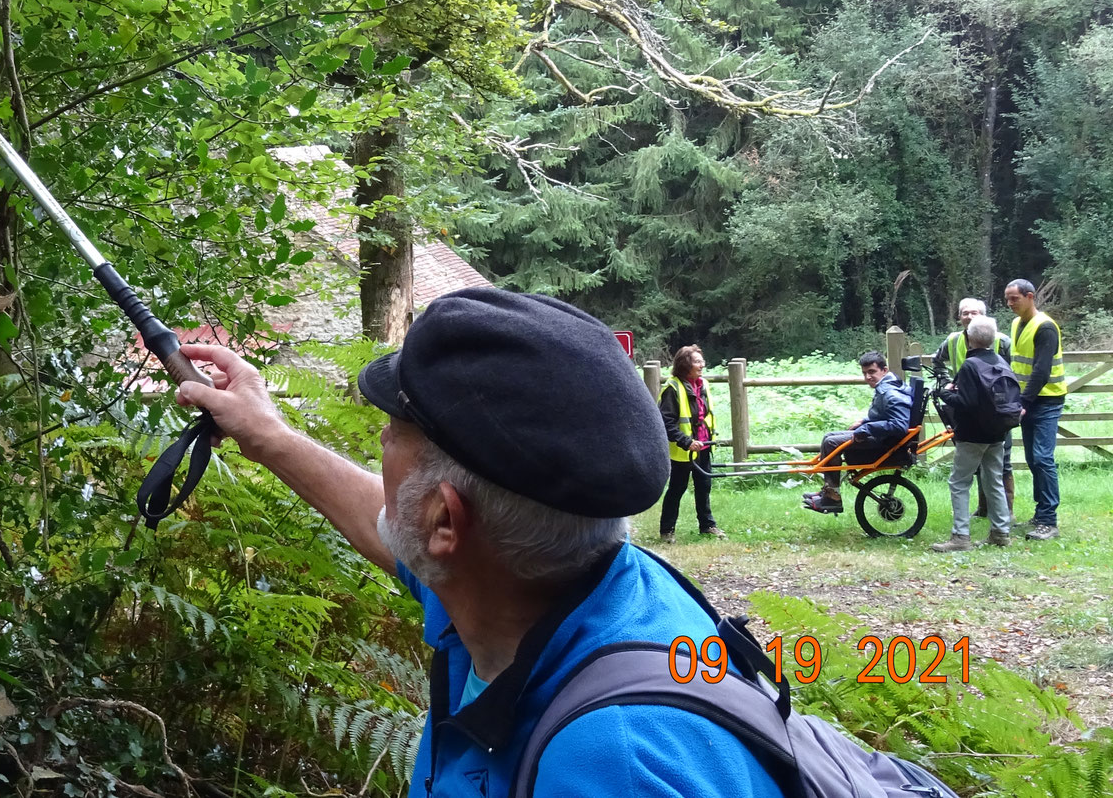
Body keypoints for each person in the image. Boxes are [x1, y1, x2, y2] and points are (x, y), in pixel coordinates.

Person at [175, 288, 782, 797]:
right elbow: (386, 523)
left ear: (445, 521)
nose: (379, 446)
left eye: (390, 434)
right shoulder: (545, 580)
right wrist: (269, 436)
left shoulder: (608, 769)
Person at [930, 315, 1019, 551]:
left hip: (972, 435)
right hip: (998, 433)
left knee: (959, 482)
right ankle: (1000, 533)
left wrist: (944, 394)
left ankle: (960, 537)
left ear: (969, 338)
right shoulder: (1000, 360)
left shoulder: (970, 365)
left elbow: (966, 402)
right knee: (993, 481)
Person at [800, 351, 912, 514]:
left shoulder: (890, 392)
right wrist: (864, 422)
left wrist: (866, 429)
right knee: (829, 436)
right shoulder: (887, 386)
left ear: (884, 370)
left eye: (872, 372)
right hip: (881, 436)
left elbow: (900, 424)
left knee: (831, 442)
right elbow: (884, 415)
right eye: (864, 373)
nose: (867, 377)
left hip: (884, 443)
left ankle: (833, 497)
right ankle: (829, 490)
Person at [1005, 279, 1067, 541]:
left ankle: (1049, 521)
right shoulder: (1017, 323)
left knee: (1042, 459)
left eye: (1014, 299)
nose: (1010, 304)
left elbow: (1041, 371)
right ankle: (1040, 513)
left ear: (1030, 297)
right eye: (1007, 299)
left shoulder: (1046, 328)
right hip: (1027, 400)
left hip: (1046, 400)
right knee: (1033, 459)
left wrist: (1023, 404)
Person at [657, 345, 726, 542]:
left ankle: (708, 526)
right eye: (697, 361)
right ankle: (667, 530)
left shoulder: (703, 384)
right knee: (677, 489)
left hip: (703, 446)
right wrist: (686, 442)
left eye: (701, 361)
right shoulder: (672, 388)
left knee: (704, 486)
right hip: (682, 451)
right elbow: (666, 423)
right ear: (685, 365)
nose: (702, 365)